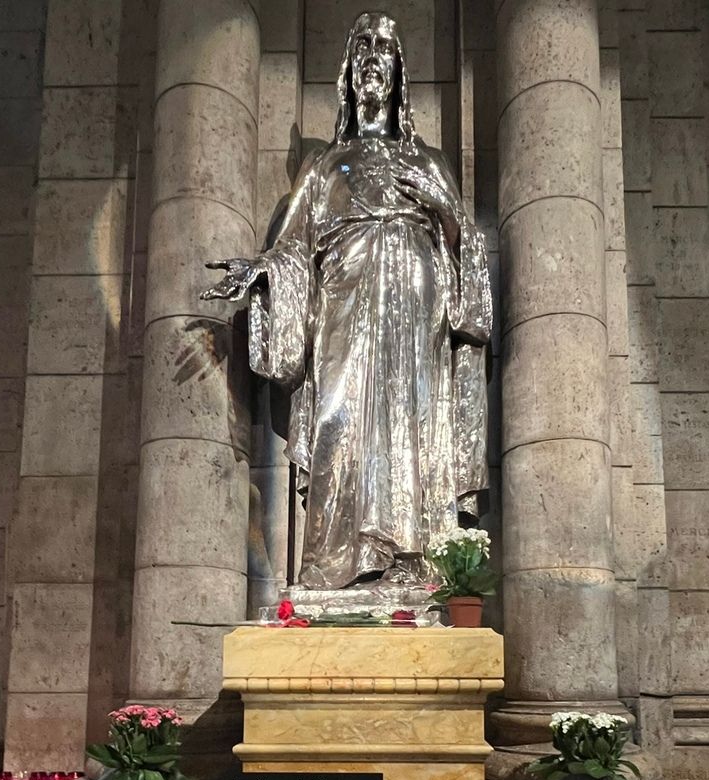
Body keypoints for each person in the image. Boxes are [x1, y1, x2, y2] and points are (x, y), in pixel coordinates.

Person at [202, 10, 492, 589]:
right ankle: (338, 560)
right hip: (343, 311)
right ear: (348, 74)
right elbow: (293, 252)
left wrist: (448, 211)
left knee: (411, 424)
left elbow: (468, 263)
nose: (372, 64)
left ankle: (415, 561)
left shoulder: (428, 163)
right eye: (362, 52)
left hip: (416, 317)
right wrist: (263, 271)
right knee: (340, 419)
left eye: (383, 52)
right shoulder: (325, 167)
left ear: (399, 73)